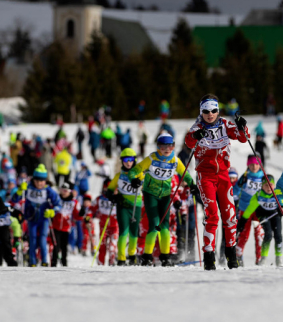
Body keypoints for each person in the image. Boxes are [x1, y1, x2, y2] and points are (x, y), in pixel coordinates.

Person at [185, 94, 249, 270]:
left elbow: (242, 138)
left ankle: (231, 255)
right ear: (201, 112)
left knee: (230, 217)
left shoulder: (224, 124)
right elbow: (189, 142)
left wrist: (243, 127)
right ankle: (209, 256)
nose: (210, 114)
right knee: (212, 215)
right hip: (205, 177)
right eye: (206, 111)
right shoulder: (197, 126)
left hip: (223, 175)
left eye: (213, 110)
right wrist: (196, 136)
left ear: (218, 111)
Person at [129, 132, 195, 267]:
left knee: (165, 226)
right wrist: (134, 179)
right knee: (154, 224)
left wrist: (192, 185)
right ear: (158, 147)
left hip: (165, 195)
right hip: (150, 194)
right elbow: (134, 170)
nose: (166, 149)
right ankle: (147, 256)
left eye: (169, 146)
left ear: (173, 146)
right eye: (163, 146)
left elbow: (185, 174)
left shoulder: (175, 160)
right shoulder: (152, 158)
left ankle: (165, 257)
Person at [11, 164, 61, 267]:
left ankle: (44, 261)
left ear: (45, 181)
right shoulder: (28, 187)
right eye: (37, 181)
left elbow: (58, 204)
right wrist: (20, 190)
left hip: (44, 219)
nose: (39, 183)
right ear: (33, 180)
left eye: (42, 181)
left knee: (43, 240)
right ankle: (32, 262)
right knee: (32, 240)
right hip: (31, 218)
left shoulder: (48, 190)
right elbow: (15, 199)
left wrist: (53, 211)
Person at [106, 148, 144, 266]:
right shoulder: (119, 175)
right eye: (126, 160)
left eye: (131, 160)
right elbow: (109, 190)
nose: (128, 162)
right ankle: (121, 258)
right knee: (123, 231)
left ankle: (132, 256)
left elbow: (147, 185)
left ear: (135, 161)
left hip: (136, 206)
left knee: (133, 232)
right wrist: (113, 197)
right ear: (122, 161)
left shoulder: (140, 174)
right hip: (123, 206)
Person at [237, 175, 283, 266]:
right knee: (268, 235)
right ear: (262, 186)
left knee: (278, 235)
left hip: (275, 215)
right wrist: (242, 221)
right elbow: (249, 210)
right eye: (266, 185)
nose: (269, 187)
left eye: (271, 184)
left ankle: (279, 258)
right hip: (264, 216)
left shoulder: (278, 193)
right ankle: (263, 258)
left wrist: (282, 208)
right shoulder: (258, 195)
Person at [235, 155, 266, 266]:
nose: (254, 166)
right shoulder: (245, 176)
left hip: (259, 210)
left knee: (259, 234)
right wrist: (239, 184)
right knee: (243, 234)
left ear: (260, 165)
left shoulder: (263, 177)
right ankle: (238, 256)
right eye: (251, 164)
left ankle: (260, 259)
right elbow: (235, 191)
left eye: (256, 164)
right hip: (244, 209)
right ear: (248, 165)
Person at [51, 182, 79, 267]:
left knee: (64, 246)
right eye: (62, 190)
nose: (64, 192)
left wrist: (81, 213)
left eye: (66, 191)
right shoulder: (57, 199)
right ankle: (54, 263)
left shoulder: (73, 202)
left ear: (69, 191)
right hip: (55, 225)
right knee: (56, 245)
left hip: (66, 227)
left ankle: (64, 262)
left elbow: (77, 215)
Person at [93, 179, 119, 266]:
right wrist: (89, 215)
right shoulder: (99, 199)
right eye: (106, 188)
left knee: (112, 246)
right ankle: (101, 263)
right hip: (103, 226)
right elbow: (92, 208)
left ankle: (112, 263)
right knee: (102, 245)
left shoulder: (118, 198)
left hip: (114, 226)